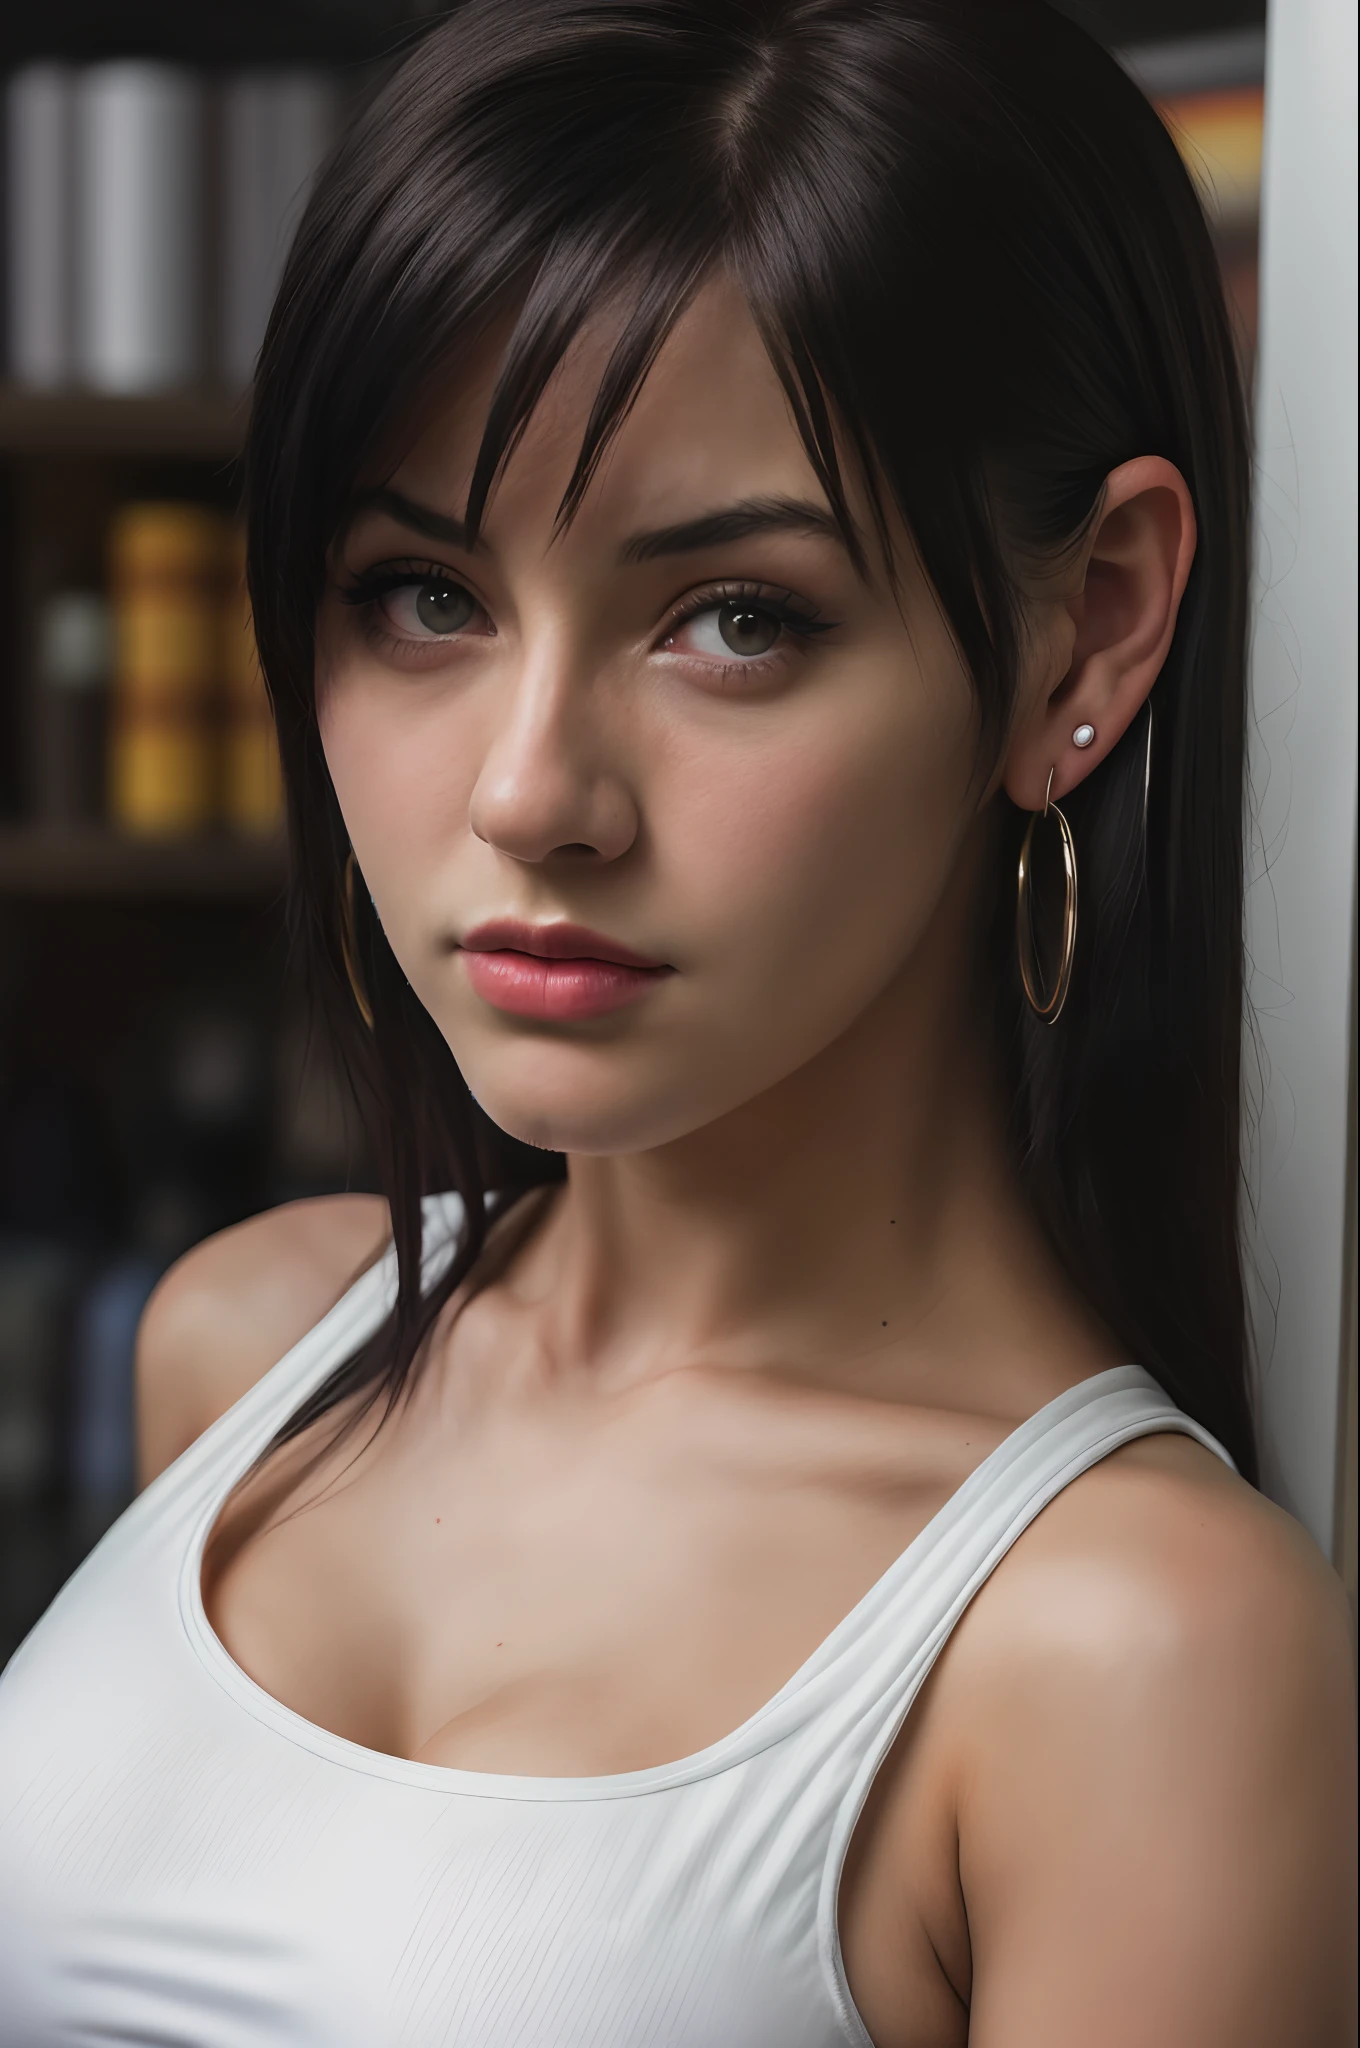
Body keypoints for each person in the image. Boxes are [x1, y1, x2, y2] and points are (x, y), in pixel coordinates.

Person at [0, 2, 1353, 2042]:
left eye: (736, 619)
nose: (529, 792)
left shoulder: (1131, 1649)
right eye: (422, 597)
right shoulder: (248, 1346)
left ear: (1086, 623)